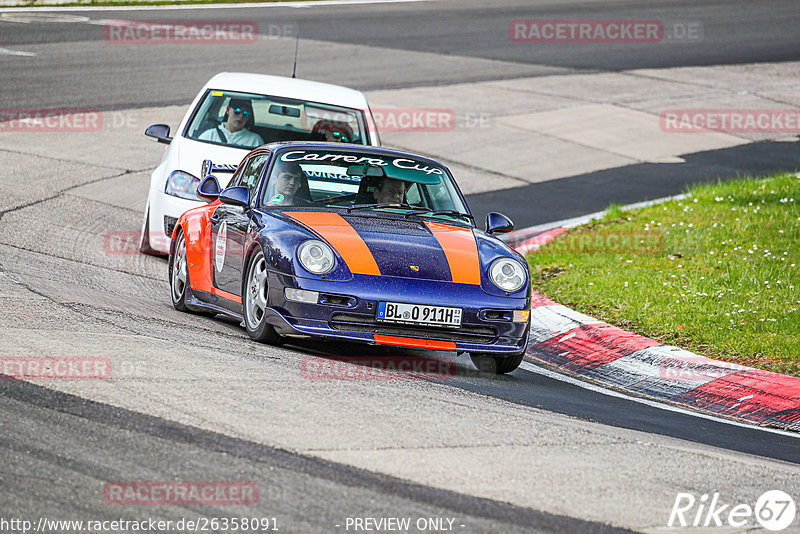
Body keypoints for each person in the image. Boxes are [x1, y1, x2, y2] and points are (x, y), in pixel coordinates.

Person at [198, 98, 263, 148]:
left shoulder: (255, 141)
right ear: (228, 110)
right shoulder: (209, 136)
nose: (241, 116)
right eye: (237, 111)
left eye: (246, 114)